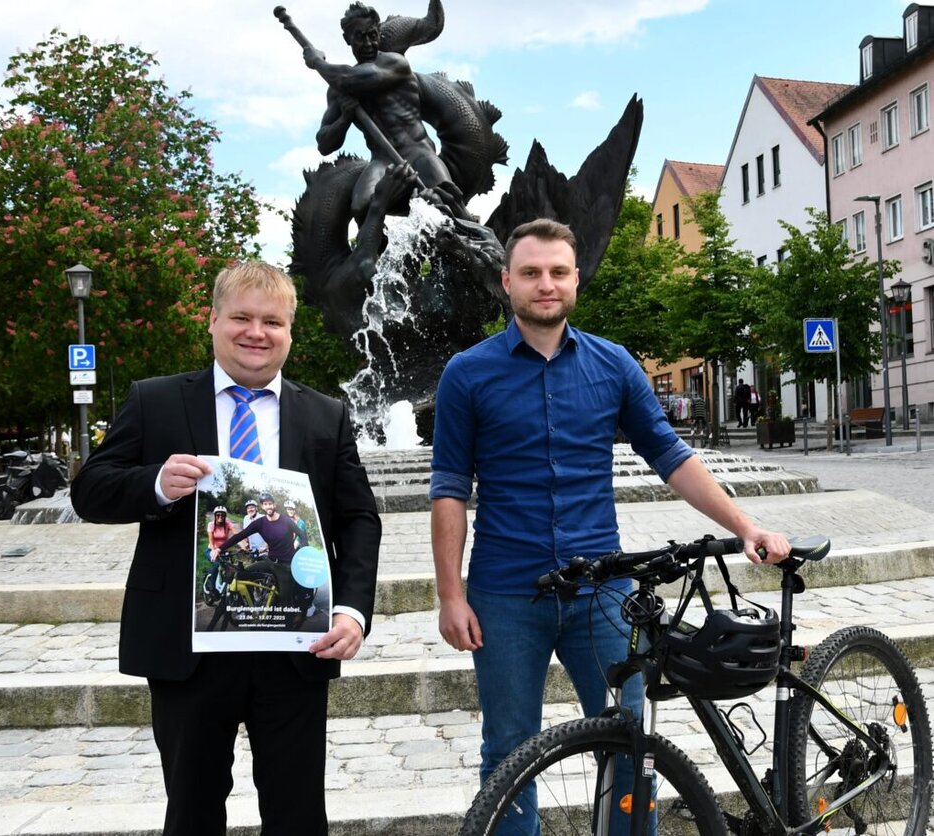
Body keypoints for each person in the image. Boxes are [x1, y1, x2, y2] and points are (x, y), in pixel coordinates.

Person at [430, 218, 791, 835]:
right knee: (509, 756)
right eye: (531, 273)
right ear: (506, 281)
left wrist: (745, 524)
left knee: (632, 747)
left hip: (605, 594)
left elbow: (671, 455)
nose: (545, 284)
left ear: (575, 279)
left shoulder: (613, 364)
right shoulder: (468, 372)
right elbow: (449, 490)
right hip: (506, 595)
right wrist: (450, 594)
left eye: (558, 272)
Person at [70, 261, 382, 836]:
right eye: (241, 317)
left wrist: (353, 609)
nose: (255, 332)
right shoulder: (155, 400)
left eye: (272, 321)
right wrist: (156, 485)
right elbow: (90, 490)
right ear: (213, 321)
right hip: (187, 649)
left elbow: (360, 517)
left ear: (289, 332)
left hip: (296, 644)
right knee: (191, 810)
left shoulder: (325, 416)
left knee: (298, 814)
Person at [304, 1, 474, 224]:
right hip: (383, 162)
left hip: (419, 154)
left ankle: (477, 238)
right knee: (362, 206)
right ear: (347, 39)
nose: (368, 43)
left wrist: (317, 62)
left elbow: (350, 80)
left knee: (447, 201)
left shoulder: (395, 64)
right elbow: (325, 144)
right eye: (360, 37)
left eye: (372, 35)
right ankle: (377, 254)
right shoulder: (338, 90)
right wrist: (345, 118)